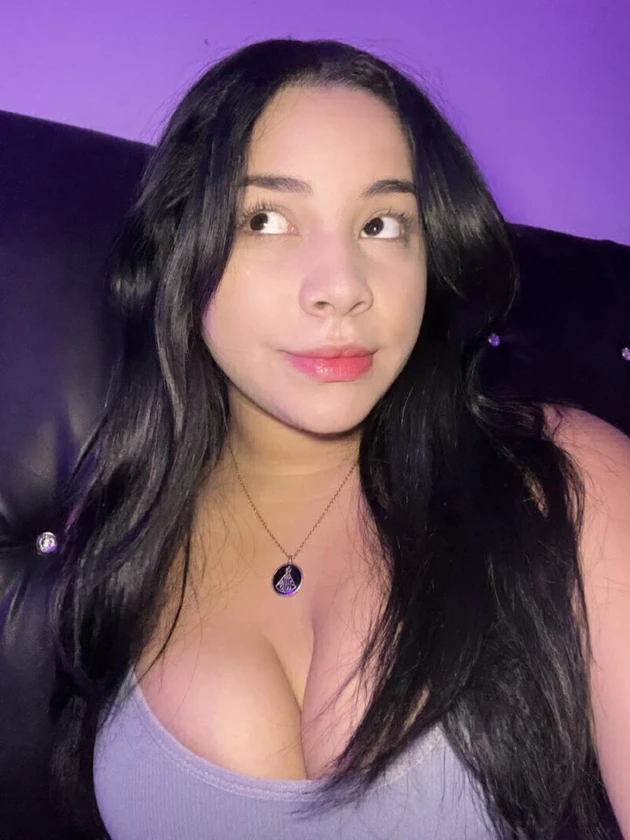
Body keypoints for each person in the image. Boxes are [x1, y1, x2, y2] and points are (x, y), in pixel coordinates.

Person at [42, 38, 629, 839]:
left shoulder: (567, 482)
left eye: (382, 224)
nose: (342, 288)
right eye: (267, 219)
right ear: (181, 247)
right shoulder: (119, 532)